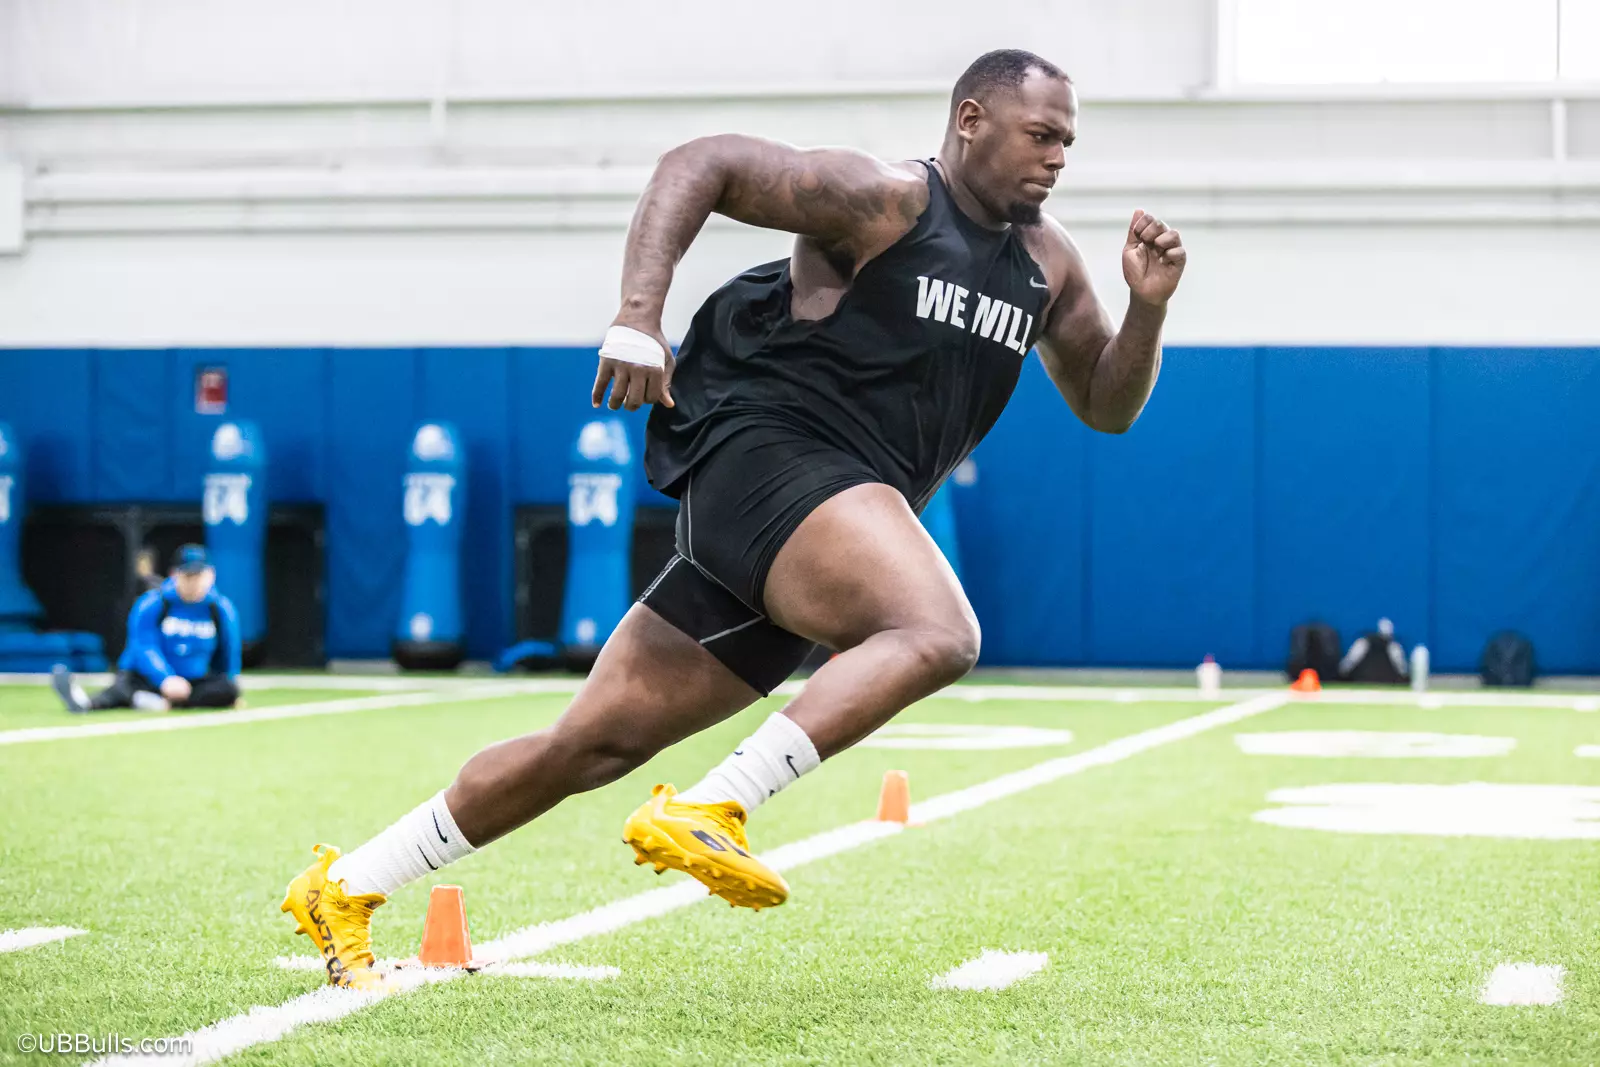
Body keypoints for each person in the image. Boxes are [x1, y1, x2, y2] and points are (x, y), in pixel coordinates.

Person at [281, 48, 1186, 989]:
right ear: (970, 121)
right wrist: (639, 313)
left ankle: (345, 884)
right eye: (1041, 135)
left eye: (1068, 141)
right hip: (771, 460)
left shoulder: (1047, 264)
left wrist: (1147, 310)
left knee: (589, 745)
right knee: (938, 630)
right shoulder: (882, 200)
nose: (1058, 158)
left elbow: (1105, 403)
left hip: (814, 525)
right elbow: (700, 162)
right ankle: (717, 804)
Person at [52, 544, 242, 712]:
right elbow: (144, 646)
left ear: (211, 575)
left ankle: (158, 702)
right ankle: (87, 703)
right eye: (188, 576)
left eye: (199, 576)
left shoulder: (220, 609)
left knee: (227, 689)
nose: (194, 583)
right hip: (147, 678)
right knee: (123, 688)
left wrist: (229, 687)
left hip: (192, 682)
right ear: (174, 575)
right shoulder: (152, 603)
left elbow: (228, 651)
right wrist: (165, 678)